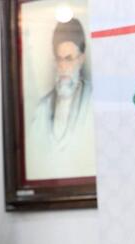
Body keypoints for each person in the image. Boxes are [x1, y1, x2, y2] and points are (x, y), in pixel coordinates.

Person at [26, 17, 95, 180]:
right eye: (59, 59)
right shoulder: (42, 108)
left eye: (69, 59)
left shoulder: (94, 100)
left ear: (81, 59)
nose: (63, 67)